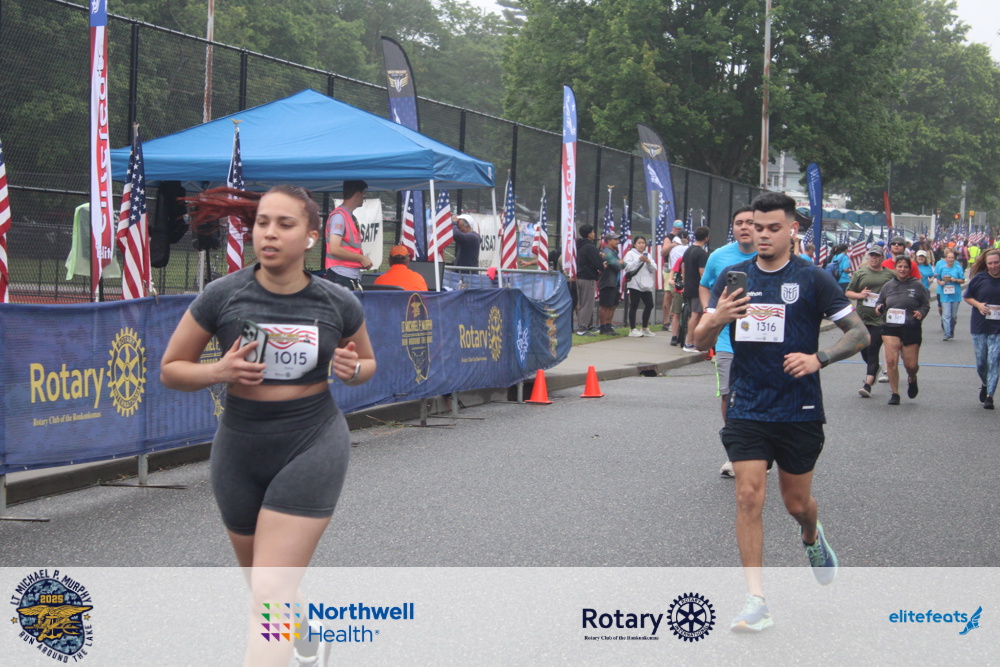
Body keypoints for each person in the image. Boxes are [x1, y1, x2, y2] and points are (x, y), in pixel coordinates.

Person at [161, 185, 377, 666]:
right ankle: (308, 636)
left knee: (271, 591)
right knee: (265, 586)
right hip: (239, 450)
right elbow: (171, 369)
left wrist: (352, 369)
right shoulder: (222, 295)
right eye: (262, 223)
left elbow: (366, 364)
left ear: (312, 236)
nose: (270, 233)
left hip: (312, 442)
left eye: (284, 224)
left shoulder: (338, 302)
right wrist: (218, 371)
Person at [694, 191, 868, 633]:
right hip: (748, 404)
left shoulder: (813, 278)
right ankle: (756, 600)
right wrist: (718, 317)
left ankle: (812, 534)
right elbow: (698, 341)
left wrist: (819, 358)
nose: (763, 234)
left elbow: (859, 334)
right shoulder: (734, 277)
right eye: (757, 226)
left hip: (799, 407)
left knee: (796, 503)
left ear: (792, 229)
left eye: (773, 227)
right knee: (748, 496)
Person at [698, 206, 756, 478]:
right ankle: (736, 452)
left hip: (761, 341)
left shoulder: (769, 257)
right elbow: (705, 285)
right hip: (726, 339)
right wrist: (711, 314)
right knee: (729, 394)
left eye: (750, 222)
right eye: (739, 223)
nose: (744, 227)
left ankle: (759, 448)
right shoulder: (719, 257)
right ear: (732, 228)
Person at [875, 256, 930, 405]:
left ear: (909, 269)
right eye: (900, 266)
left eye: (905, 267)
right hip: (890, 327)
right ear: (895, 268)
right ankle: (895, 393)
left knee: (911, 365)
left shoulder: (917, 285)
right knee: (891, 361)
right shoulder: (888, 286)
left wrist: (921, 313)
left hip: (910, 327)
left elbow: (925, 304)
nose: (902, 269)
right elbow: (880, 302)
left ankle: (912, 377)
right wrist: (879, 308)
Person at [845, 245, 894, 398]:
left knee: (873, 348)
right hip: (862, 318)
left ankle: (867, 385)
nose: (874, 258)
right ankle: (874, 367)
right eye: (872, 255)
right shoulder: (861, 273)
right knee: (863, 349)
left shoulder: (889, 274)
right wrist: (860, 295)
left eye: (877, 256)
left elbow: (897, 290)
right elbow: (848, 292)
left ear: (882, 258)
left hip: (879, 319)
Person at [963, 248, 1000, 409]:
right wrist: (978, 305)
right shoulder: (980, 278)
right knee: (981, 363)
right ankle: (985, 383)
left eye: (996, 263)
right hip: (980, 325)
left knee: (994, 361)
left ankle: (990, 395)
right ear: (986, 264)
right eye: (990, 263)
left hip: (997, 328)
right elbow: (967, 296)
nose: (993, 266)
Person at [324, 180, 374, 290]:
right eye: (363, 194)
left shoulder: (348, 216)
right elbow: (334, 249)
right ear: (357, 194)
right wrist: (361, 258)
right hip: (340, 276)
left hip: (347, 275)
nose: (364, 198)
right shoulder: (339, 216)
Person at [681, 226, 710, 352]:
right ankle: (689, 343)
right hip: (698, 289)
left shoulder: (688, 250)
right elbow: (702, 273)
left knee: (693, 315)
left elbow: (683, 268)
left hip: (688, 287)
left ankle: (692, 342)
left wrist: (684, 283)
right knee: (696, 316)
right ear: (706, 238)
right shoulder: (702, 253)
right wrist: (708, 287)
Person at [624, 236, 657, 336]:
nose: (641, 245)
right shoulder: (630, 254)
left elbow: (654, 269)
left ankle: (644, 328)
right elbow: (627, 267)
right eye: (639, 243)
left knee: (650, 304)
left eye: (643, 243)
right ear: (634, 244)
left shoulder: (648, 255)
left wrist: (648, 262)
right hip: (635, 283)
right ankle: (632, 329)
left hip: (646, 284)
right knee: (634, 305)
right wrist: (639, 260)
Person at [575, 224, 603, 335]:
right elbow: (598, 263)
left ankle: (581, 326)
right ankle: (583, 328)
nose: (594, 234)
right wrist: (602, 262)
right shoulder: (589, 247)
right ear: (589, 234)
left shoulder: (578, 245)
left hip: (578, 277)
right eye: (592, 232)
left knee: (580, 303)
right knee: (587, 304)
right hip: (587, 278)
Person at [660, 221, 687, 332]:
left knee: (677, 295)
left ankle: (675, 321)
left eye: (680, 230)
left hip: (682, 269)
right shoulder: (669, 238)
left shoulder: (685, 240)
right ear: (673, 228)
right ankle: (666, 321)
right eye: (677, 229)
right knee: (669, 295)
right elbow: (663, 253)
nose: (678, 232)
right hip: (670, 268)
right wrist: (672, 245)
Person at [934, 248, 965, 341]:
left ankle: (951, 330)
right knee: (946, 315)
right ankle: (947, 334)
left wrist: (955, 280)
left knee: (953, 316)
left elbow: (963, 280)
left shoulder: (958, 268)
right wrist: (941, 282)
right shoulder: (942, 268)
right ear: (946, 259)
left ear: (954, 259)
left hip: (955, 295)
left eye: (952, 258)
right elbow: (938, 279)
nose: (951, 259)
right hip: (945, 295)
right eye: (949, 258)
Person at [597, 232, 624, 335]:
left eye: (617, 239)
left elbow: (623, 264)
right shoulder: (606, 252)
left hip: (615, 282)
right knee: (605, 305)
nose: (617, 241)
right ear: (608, 241)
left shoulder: (613, 253)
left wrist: (620, 262)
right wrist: (619, 262)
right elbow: (617, 265)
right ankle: (603, 327)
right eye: (615, 239)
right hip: (607, 282)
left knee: (613, 305)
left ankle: (609, 326)